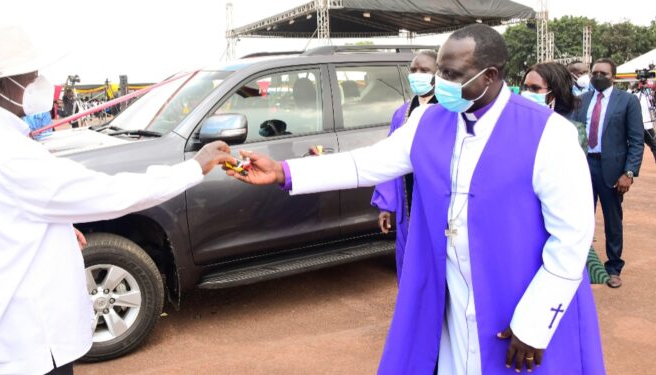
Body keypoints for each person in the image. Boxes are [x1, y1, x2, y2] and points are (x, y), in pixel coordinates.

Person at [227, 24, 603, 374]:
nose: (441, 83)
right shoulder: (429, 121)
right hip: (451, 289)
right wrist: (284, 173)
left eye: (453, 75)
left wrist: (535, 324)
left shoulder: (547, 133)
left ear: (490, 76)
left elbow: (571, 237)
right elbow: (368, 163)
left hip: (517, 296)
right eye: (441, 71)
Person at [0, 26, 233, 375]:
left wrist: (57, 230)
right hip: (27, 340)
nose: (40, 82)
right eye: (31, 76)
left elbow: (1, 217)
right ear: (5, 84)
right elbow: (109, 194)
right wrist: (193, 169)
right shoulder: (4, 150)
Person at [521, 62, 613, 285]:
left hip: (552, 218)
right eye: (525, 87)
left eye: (535, 89)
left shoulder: (570, 131)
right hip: (522, 216)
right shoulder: (516, 126)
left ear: (555, 93)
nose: (526, 93)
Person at [571, 58, 644, 289]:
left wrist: (629, 172)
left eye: (603, 73)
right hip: (583, 167)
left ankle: (613, 267)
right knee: (581, 220)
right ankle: (580, 266)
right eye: (594, 73)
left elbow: (636, 140)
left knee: (613, 220)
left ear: (613, 76)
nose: (598, 77)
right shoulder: (581, 101)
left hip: (612, 170)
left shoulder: (628, 101)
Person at [370, 49, 438, 283]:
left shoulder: (449, 110)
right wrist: (385, 206)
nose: (417, 75)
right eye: (414, 70)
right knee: (410, 264)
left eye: (425, 70)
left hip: (438, 200)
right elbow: (389, 159)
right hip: (409, 202)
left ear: (438, 74)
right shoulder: (402, 113)